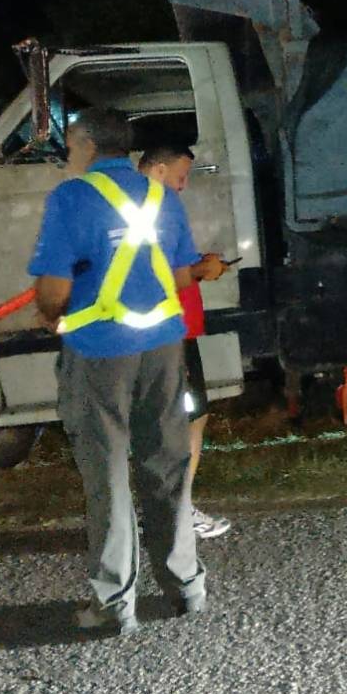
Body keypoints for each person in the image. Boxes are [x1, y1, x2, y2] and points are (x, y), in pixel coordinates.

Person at [28, 108, 205, 634]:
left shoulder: (72, 198)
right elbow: (177, 275)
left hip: (100, 350)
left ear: (84, 143)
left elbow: (53, 292)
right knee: (167, 463)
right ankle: (186, 585)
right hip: (163, 347)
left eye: (70, 142)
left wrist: (50, 315)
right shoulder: (161, 197)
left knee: (107, 472)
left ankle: (113, 603)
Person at [138, 145, 233, 538]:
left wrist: (201, 265)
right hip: (168, 332)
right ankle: (175, 512)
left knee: (188, 417)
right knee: (184, 420)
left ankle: (171, 507)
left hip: (174, 330)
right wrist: (200, 270)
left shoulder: (149, 207)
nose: (185, 184)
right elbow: (156, 273)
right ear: (158, 170)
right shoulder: (151, 211)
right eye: (181, 176)